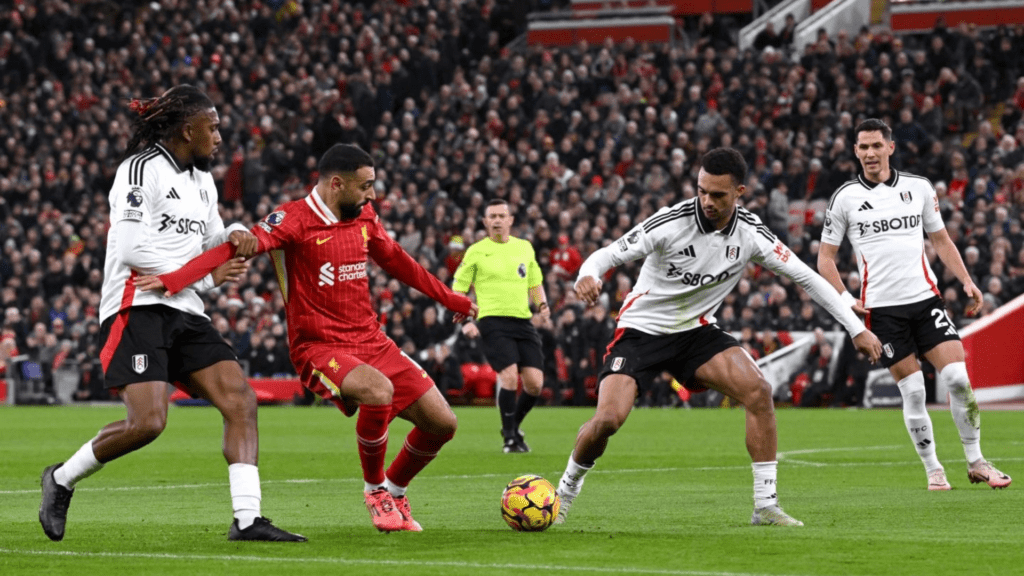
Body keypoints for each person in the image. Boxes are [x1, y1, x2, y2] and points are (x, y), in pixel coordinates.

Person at [137, 143, 478, 532]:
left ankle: (395, 491)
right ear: (336, 184)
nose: (372, 195)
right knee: (378, 391)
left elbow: (399, 261)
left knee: (442, 423)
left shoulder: (364, 215)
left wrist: (451, 298)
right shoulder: (293, 219)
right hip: (319, 347)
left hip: (371, 340)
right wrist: (174, 279)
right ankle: (374, 491)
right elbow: (236, 247)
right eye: (366, 186)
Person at [554, 148, 883, 527]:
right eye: (702, 191)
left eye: (718, 195)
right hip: (641, 331)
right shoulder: (670, 222)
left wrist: (856, 328)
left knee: (758, 390)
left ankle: (765, 505)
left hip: (696, 331)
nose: (707, 201)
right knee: (609, 419)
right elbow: (607, 255)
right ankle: (564, 493)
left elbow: (807, 277)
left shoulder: (751, 234)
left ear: (739, 191)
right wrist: (588, 274)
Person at [39, 85, 306, 543]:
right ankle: (61, 479)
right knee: (148, 423)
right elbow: (130, 247)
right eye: (213, 127)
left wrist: (236, 234)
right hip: (136, 305)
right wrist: (202, 278)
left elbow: (211, 239)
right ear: (188, 129)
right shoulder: (140, 170)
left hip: (185, 309)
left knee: (240, 401)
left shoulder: (202, 180)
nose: (220, 137)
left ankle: (247, 519)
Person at [818, 118, 1011, 491]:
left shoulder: (918, 188)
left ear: (891, 147)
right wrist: (846, 300)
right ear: (855, 151)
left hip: (925, 301)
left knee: (957, 379)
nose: (870, 153)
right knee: (915, 392)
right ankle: (933, 469)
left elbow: (940, 239)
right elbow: (825, 258)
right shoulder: (844, 198)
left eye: (876, 145)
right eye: (863, 147)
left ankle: (976, 461)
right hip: (882, 311)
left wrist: (967, 279)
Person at [452, 199, 551, 453]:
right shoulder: (475, 251)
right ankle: (509, 438)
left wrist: (542, 305)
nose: (497, 220)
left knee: (535, 384)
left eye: (501, 216)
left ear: (510, 220)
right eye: (492, 216)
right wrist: (465, 320)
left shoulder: (524, 248)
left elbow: (535, 282)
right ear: (485, 222)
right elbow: (459, 288)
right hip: (491, 320)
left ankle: (512, 425)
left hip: (522, 321)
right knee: (508, 376)